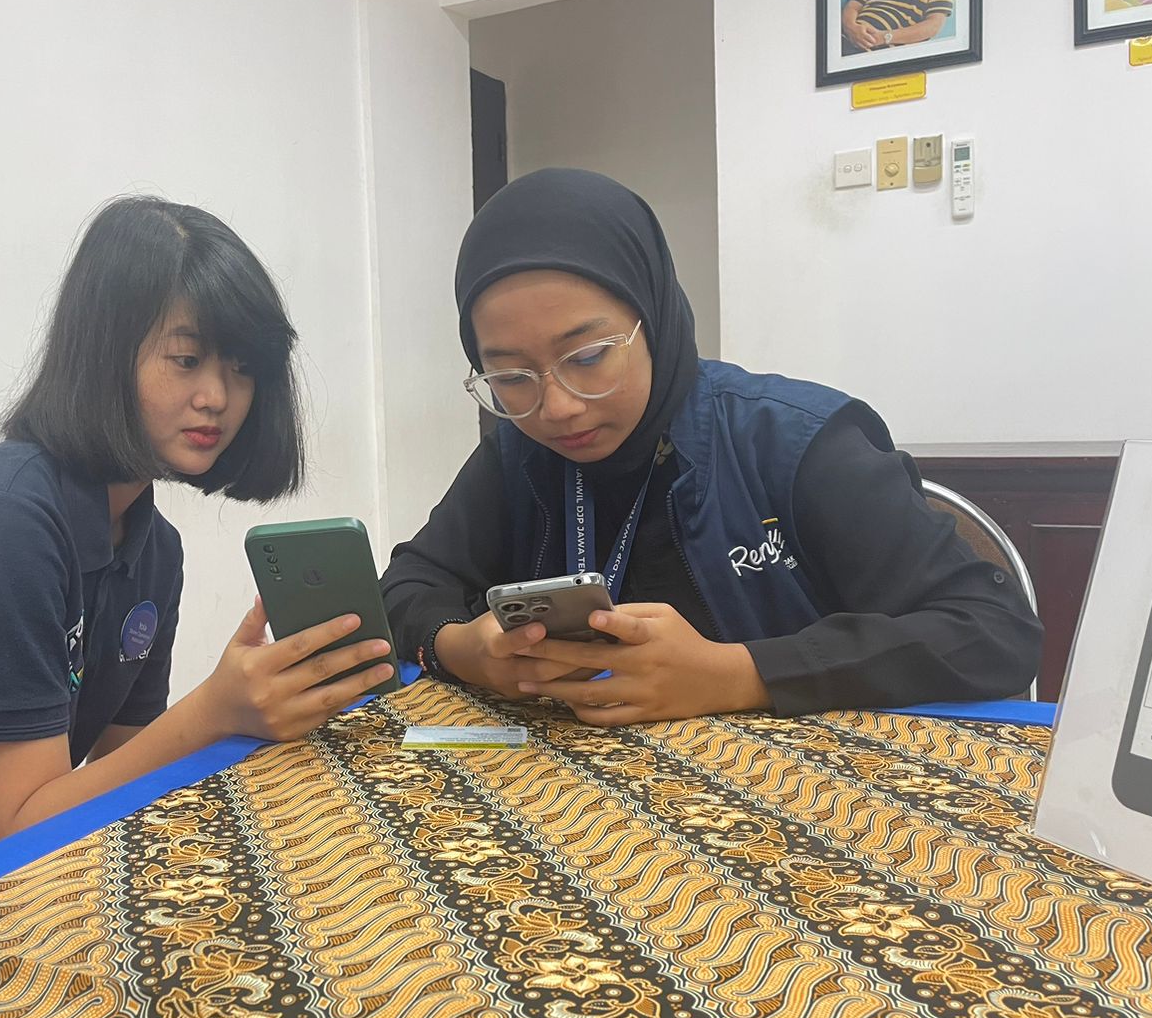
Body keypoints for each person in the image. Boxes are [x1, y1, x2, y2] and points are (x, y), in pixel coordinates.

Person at [0, 197, 392, 927]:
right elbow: (26, 827)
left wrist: (241, 712)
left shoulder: (153, 550)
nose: (216, 397)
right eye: (186, 360)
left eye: (241, 369)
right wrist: (216, 712)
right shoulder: (2, 527)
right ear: (105, 351)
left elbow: (126, 771)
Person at [380, 168, 1041, 726]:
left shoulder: (794, 442)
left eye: (586, 358)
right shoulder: (519, 456)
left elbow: (993, 631)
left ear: (654, 319)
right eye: (510, 377)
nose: (556, 407)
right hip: (578, 797)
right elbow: (406, 586)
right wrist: (462, 649)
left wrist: (741, 674)